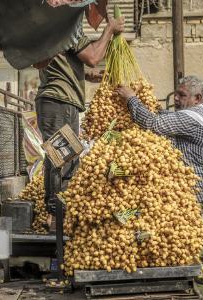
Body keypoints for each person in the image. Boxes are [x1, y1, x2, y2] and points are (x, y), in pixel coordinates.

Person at [116, 75, 203, 300]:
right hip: (191, 200)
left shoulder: (195, 117)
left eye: (182, 95)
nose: (176, 99)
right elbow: (161, 115)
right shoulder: (184, 115)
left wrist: (131, 99)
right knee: (195, 260)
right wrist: (142, 100)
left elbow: (153, 123)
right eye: (176, 94)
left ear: (197, 98)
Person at [35, 16, 125, 218]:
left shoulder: (50, 26)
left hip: (56, 101)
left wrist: (84, 75)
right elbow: (93, 57)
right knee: (65, 158)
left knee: (58, 157)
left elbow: (61, 63)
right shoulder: (65, 27)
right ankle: (59, 215)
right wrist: (109, 29)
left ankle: (54, 212)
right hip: (59, 101)